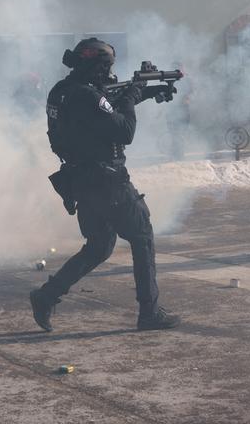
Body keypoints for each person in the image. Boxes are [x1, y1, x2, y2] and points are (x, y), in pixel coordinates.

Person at [30, 38, 180, 332]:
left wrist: (145, 93)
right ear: (96, 65)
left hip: (81, 181)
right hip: (107, 181)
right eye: (106, 66)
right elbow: (124, 131)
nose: (108, 72)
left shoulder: (62, 92)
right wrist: (132, 95)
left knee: (98, 247)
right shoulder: (87, 96)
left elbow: (102, 113)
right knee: (142, 236)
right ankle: (149, 312)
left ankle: (46, 296)